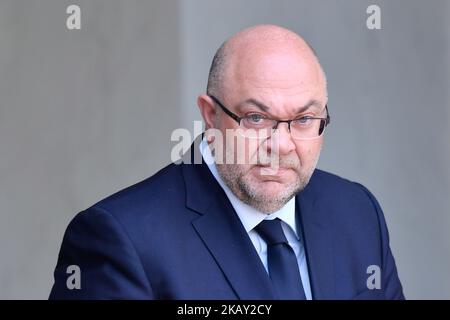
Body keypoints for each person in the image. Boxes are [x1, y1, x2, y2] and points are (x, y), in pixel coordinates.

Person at [49, 24, 404, 300]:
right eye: (255, 118)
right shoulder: (121, 238)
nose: (280, 145)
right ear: (210, 115)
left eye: (304, 120)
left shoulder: (358, 213)